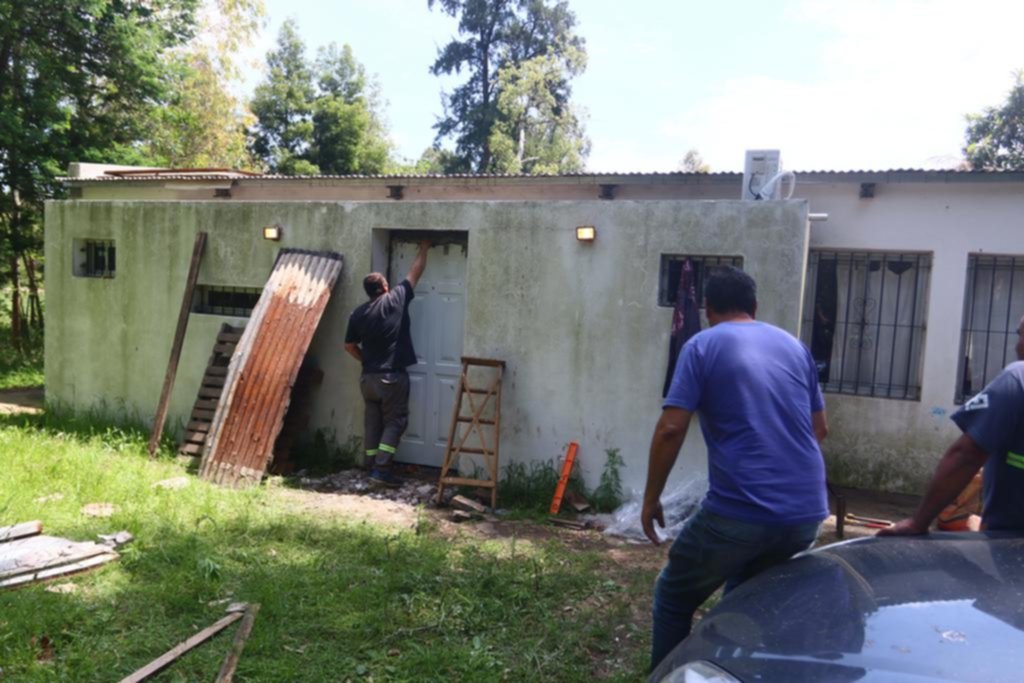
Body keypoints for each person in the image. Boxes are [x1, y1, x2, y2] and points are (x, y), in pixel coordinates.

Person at [641, 266, 829, 670]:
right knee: (744, 602)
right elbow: (820, 429)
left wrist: (651, 498)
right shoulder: (794, 347)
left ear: (707, 309)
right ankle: (730, 674)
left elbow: (672, 429)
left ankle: (664, 678)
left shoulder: (702, 345)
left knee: (674, 596)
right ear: (755, 307)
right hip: (806, 513)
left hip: (739, 512)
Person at [880, 314, 1024, 535]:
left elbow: (966, 456)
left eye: (1021, 335)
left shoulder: (1016, 379)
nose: (1017, 344)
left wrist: (918, 522)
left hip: (1011, 543)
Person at [344, 240, 431, 487]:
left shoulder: (357, 314)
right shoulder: (395, 299)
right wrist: (424, 249)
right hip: (391, 378)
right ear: (384, 286)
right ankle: (381, 472)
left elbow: (349, 346)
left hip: (368, 379)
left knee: (373, 422)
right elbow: (415, 272)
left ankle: (370, 464)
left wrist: (366, 361)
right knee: (395, 421)